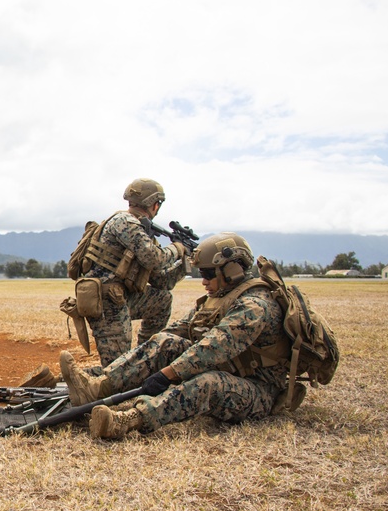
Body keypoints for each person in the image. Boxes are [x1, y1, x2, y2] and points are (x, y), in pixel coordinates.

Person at [59, 233, 289, 440]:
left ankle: (128, 420)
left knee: (208, 383)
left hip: (258, 389)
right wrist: (145, 357)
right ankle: (96, 388)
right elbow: (179, 329)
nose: (204, 281)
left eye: (209, 274)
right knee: (165, 342)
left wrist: (167, 374)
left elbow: (211, 349)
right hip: (230, 369)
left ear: (232, 270)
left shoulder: (254, 306)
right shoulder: (222, 296)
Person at [72, 178, 188, 366]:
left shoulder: (141, 232)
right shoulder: (124, 222)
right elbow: (153, 258)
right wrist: (177, 249)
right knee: (117, 370)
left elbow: (162, 281)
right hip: (106, 302)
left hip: (120, 298)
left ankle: (145, 357)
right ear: (154, 205)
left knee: (162, 300)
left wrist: (185, 263)